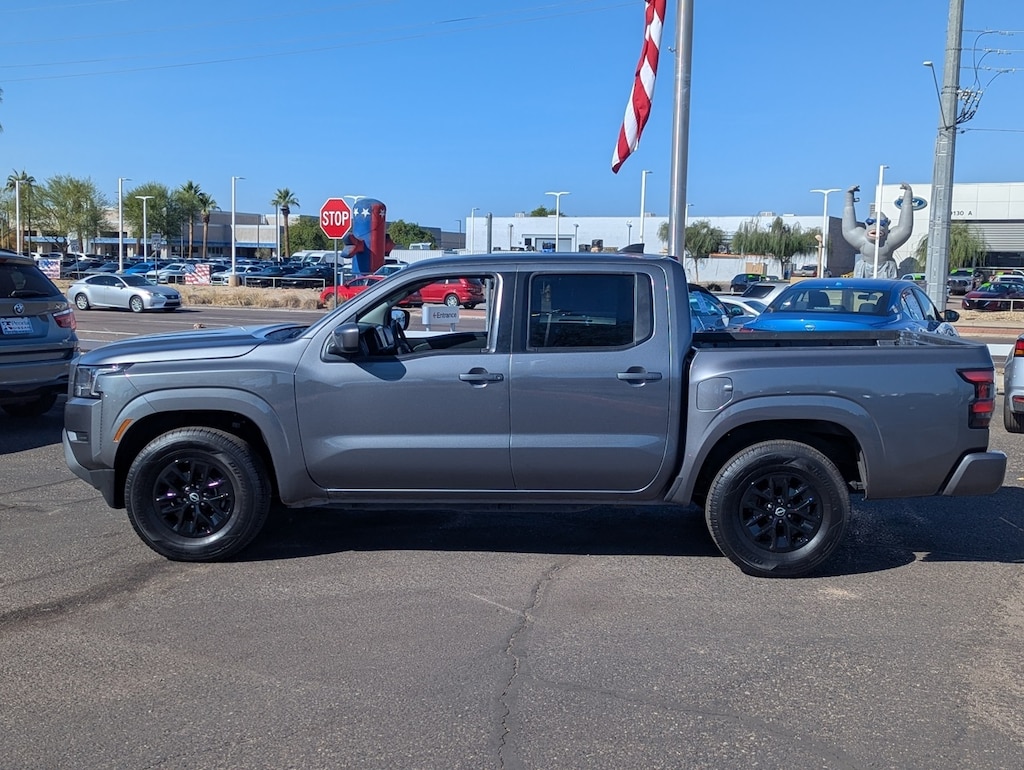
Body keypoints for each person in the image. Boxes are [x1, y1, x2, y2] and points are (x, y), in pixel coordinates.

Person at [843, 182, 915, 279]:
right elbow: (848, 228)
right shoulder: (861, 239)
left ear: (888, 224)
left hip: (886, 268)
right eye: (870, 222)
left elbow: (905, 227)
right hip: (864, 269)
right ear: (866, 224)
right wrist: (849, 199)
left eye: (881, 223)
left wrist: (908, 197)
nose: (875, 226)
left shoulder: (889, 240)